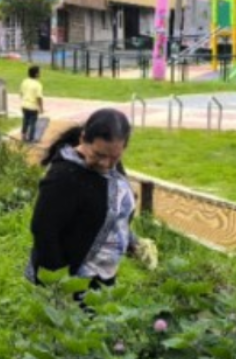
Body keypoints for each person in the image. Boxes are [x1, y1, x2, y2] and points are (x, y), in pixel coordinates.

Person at [25, 108, 157, 294]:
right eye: (99, 155)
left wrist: (131, 241)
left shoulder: (110, 164)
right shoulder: (64, 176)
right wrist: (61, 285)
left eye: (115, 157)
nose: (106, 164)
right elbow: (44, 231)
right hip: (72, 281)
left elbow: (112, 211)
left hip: (101, 278)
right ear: (83, 139)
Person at [20, 65, 45, 143]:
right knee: (33, 123)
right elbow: (39, 98)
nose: (40, 74)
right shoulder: (38, 85)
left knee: (25, 121)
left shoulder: (24, 81)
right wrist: (41, 108)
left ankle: (23, 136)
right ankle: (31, 138)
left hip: (24, 105)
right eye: (39, 72)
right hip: (33, 107)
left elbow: (21, 93)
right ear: (36, 74)